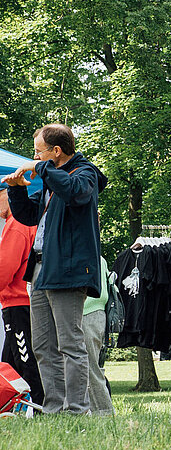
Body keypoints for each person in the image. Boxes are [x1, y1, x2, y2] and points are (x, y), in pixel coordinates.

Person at [2, 123, 107, 414]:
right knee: (43, 346)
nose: (34, 158)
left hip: (68, 271)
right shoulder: (52, 182)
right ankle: (54, 408)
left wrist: (41, 169)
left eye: (39, 152)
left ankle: (76, 409)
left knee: (70, 344)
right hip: (41, 271)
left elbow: (77, 193)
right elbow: (27, 216)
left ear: (56, 151)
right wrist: (17, 191)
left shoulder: (85, 175)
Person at [0, 187, 43, 405]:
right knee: (8, 363)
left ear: (7, 193)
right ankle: (12, 407)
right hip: (21, 301)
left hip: (19, 303)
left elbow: (5, 267)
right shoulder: (26, 221)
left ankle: (38, 408)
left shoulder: (16, 223)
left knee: (25, 362)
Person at [82, 256, 114, 415]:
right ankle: (100, 410)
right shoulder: (99, 258)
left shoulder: (94, 257)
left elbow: (100, 294)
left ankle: (104, 411)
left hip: (88, 314)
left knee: (90, 368)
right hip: (93, 314)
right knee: (91, 367)